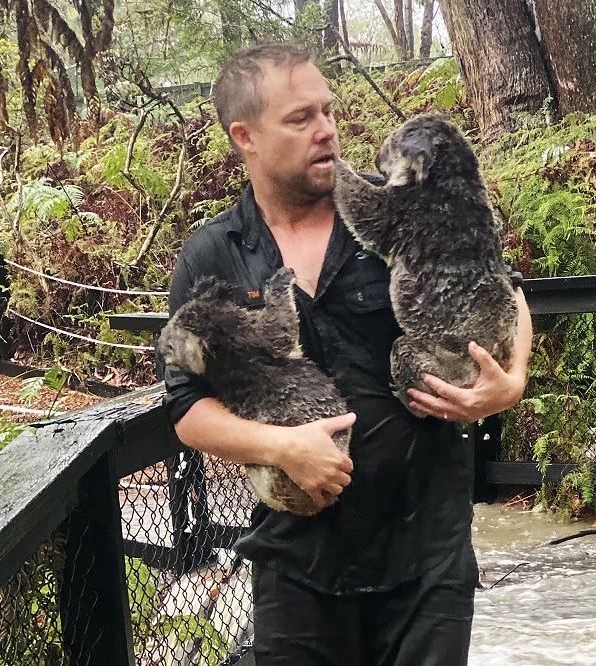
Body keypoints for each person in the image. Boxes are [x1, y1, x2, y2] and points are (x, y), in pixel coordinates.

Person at [164, 43, 533, 665]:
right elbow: (185, 407)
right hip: (298, 562)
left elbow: (504, 287)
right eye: (300, 117)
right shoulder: (214, 255)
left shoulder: (394, 202)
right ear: (244, 136)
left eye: (327, 112)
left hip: (426, 552)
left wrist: (511, 381)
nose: (326, 130)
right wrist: (281, 448)